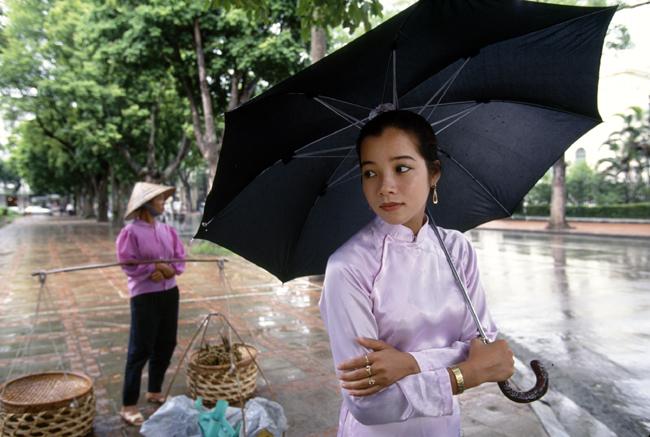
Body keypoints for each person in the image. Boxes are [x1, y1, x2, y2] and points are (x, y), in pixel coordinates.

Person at [319, 110, 515, 436]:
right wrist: (466, 373)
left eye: (402, 168)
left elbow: (485, 341)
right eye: (370, 173)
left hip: (445, 428)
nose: (385, 187)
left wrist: (410, 363)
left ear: (434, 172)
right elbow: (368, 403)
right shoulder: (348, 267)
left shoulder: (457, 249)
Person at [115, 182, 186, 426]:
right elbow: (128, 264)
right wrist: (154, 267)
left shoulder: (168, 230)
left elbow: (179, 258)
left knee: (166, 342)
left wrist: (169, 270)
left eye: (164, 200)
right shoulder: (130, 232)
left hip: (169, 292)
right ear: (146, 204)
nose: (163, 203)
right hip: (144, 296)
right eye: (159, 200)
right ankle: (128, 404)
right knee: (140, 348)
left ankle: (154, 390)